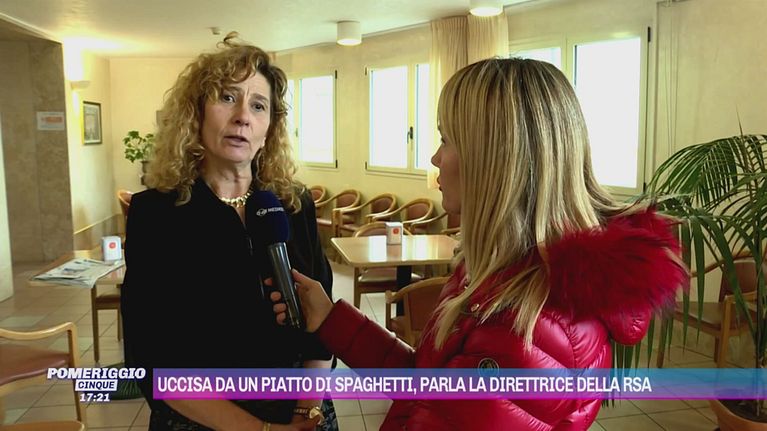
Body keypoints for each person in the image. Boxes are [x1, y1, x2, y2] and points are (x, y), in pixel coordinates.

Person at [271, 58, 688, 430]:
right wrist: (331, 319)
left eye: (446, 139)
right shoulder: (498, 277)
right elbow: (429, 387)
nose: (435, 159)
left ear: (494, 159)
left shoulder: (525, 330)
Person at [121, 32, 335, 431]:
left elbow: (322, 324)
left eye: (258, 105)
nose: (242, 116)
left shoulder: (294, 203)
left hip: (301, 410)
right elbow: (152, 354)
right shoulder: (156, 213)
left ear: (270, 128)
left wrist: (306, 412)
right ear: (196, 114)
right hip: (201, 418)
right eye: (227, 97)